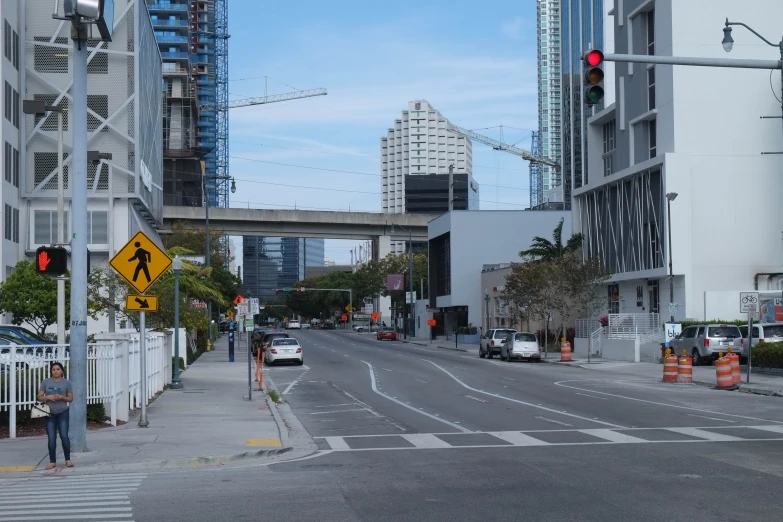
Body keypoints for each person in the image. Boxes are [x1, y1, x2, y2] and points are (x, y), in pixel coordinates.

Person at [37, 362, 73, 469]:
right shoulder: (46, 382)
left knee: (64, 436)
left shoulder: (67, 383)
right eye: (53, 369)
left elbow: (70, 399)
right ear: (51, 371)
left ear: (62, 371)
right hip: (49, 414)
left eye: (58, 369)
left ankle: (68, 459)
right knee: (51, 438)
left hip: (63, 412)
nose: (55, 371)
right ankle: (52, 461)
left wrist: (61, 397)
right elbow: (39, 397)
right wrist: (48, 397)